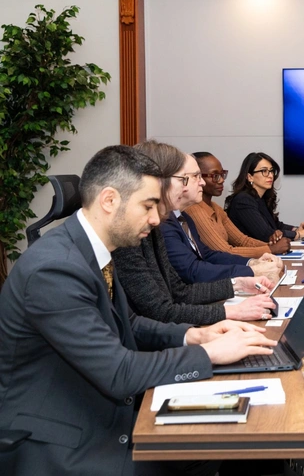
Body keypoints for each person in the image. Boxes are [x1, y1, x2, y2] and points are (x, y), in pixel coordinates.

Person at [0, 145, 277, 476]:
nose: (155, 218)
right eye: (147, 206)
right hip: (64, 444)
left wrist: (195, 336)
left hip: (98, 411)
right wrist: (209, 354)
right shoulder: (54, 270)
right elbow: (118, 373)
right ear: (109, 200)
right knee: (226, 450)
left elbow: (129, 324)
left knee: (235, 446)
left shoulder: (91, 249)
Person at [114, 141, 278, 325]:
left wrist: (238, 284)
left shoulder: (159, 225)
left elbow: (178, 292)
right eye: (186, 178)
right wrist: (230, 312)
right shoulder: (132, 237)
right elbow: (161, 310)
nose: (200, 182)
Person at [161, 151, 284, 284]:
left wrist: (252, 262)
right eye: (196, 176)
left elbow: (208, 255)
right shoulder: (168, 222)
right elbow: (193, 270)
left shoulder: (184, 217)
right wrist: (253, 270)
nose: (202, 182)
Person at [186, 152, 291, 256]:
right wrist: (271, 249)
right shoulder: (194, 209)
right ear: (197, 178)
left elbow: (242, 240)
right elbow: (224, 252)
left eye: (222, 174)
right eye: (215, 176)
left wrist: (271, 245)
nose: (221, 180)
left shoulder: (216, 208)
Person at [225, 152, 304, 243]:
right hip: (249, 251)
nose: (270, 175)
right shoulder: (243, 200)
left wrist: (296, 229)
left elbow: (276, 225)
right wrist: (300, 234)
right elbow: (267, 235)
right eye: (264, 171)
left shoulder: (261, 198)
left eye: (271, 171)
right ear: (250, 177)